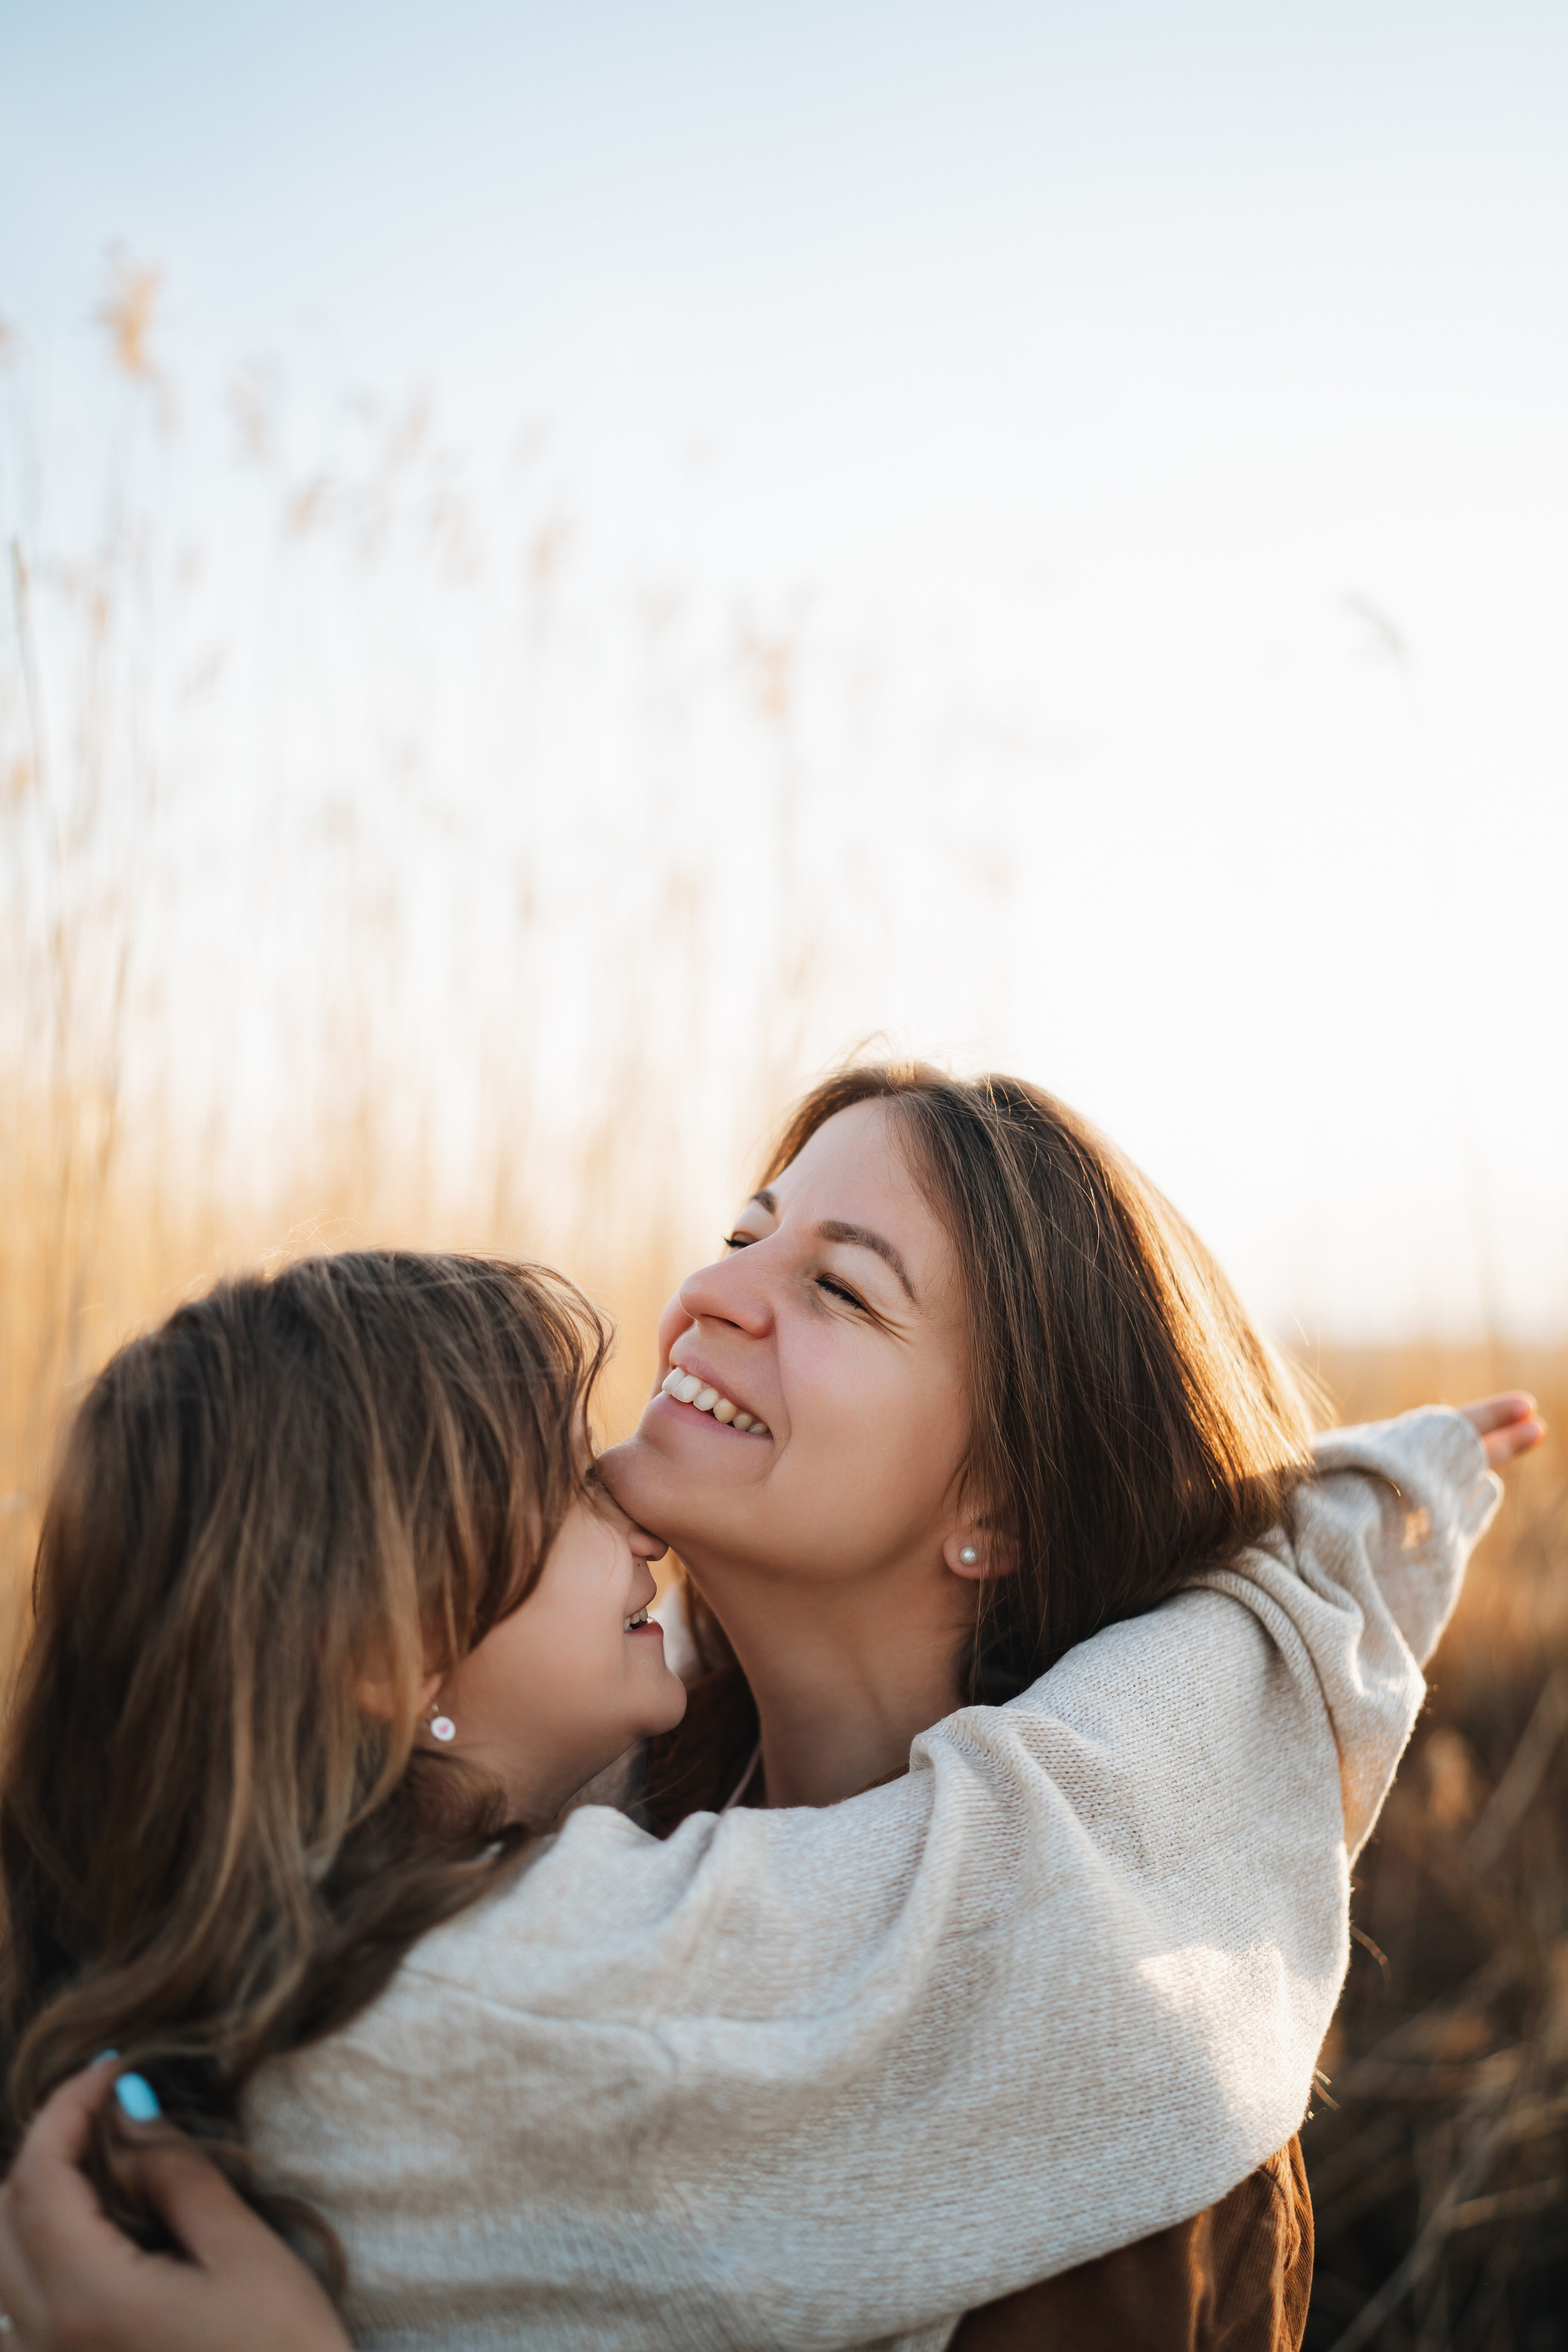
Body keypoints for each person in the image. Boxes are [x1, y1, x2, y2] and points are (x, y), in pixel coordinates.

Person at [0, 1071, 1539, 2350]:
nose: (705, 1294)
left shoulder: (1105, 2063)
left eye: (835, 1286)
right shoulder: (570, 1818)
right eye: (745, 1231)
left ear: (993, 1508)